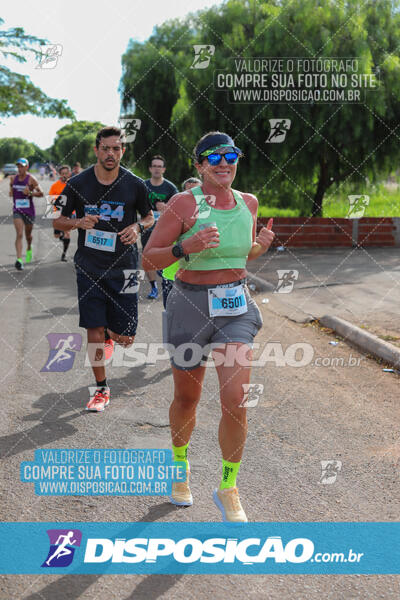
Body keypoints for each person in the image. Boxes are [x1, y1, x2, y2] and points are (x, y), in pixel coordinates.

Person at [143, 131, 275, 522]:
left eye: (230, 155)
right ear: (199, 165)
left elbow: (241, 251)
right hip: (189, 305)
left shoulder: (248, 203)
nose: (224, 163)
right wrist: (187, 246)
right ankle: (180, 468)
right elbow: (150, 260)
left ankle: (228, 486)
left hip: (235, 306)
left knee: (236, 400)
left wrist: (260, 247)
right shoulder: (184, 204)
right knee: (187, 399)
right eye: (213, 157)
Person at [54, 126, 154, 412]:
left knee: (125, 339)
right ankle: (100, 389)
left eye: (117, 148)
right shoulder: (77, 183)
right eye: (106, 148)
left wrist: (137, 226)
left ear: (122, 151)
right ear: (96, 150)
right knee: (93, 329)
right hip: (89, 267)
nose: (111, 153)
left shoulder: (134, 184)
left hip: (125, 268)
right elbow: (57, 220)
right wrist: (77, 223)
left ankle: (112, 333)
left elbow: (149, 217)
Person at [161, 177, 201, 309]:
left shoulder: (211, 215)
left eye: (197, 192)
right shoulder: (172, 214)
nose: (193, 196)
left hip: (200, 278)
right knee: (171, 319)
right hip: (172, 276)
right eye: (188, 192)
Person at [142, 155, 178, 299]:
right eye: (154, 166)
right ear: (150, 169)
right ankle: (153, 288)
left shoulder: (170, 187)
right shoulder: (143, 186)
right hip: (147, 227)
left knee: (163, 255)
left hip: (165, 229)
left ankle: (164, 278)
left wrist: (167, 207)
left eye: (159, 166)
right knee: (147, 256)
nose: (157, 169)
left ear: (163, 169)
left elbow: (179, 208)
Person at [10, 158, 44, 270]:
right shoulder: (13, 178)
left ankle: (29, 247)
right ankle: (19, 260)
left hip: (29, 211)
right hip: (17, 210)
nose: (19, 168)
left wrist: (30, 193)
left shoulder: (31, 179)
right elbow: (11, 189)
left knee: (28, 235)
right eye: (18, 166)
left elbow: (41, 193)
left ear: (26, 167)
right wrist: (11, 191)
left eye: (22, 166)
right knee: (19, 234)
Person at [49, 165, 72, 261]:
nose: (64, 175)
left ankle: (64, 254)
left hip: (69, 213)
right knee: (56, 235)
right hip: (57, 213)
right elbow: (50, 199)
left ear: (69, 174)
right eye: (62, 174)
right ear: (59, 175)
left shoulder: (72, 185)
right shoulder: (55, 186)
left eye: (66, 173)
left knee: (67, 233)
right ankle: (61, 235)